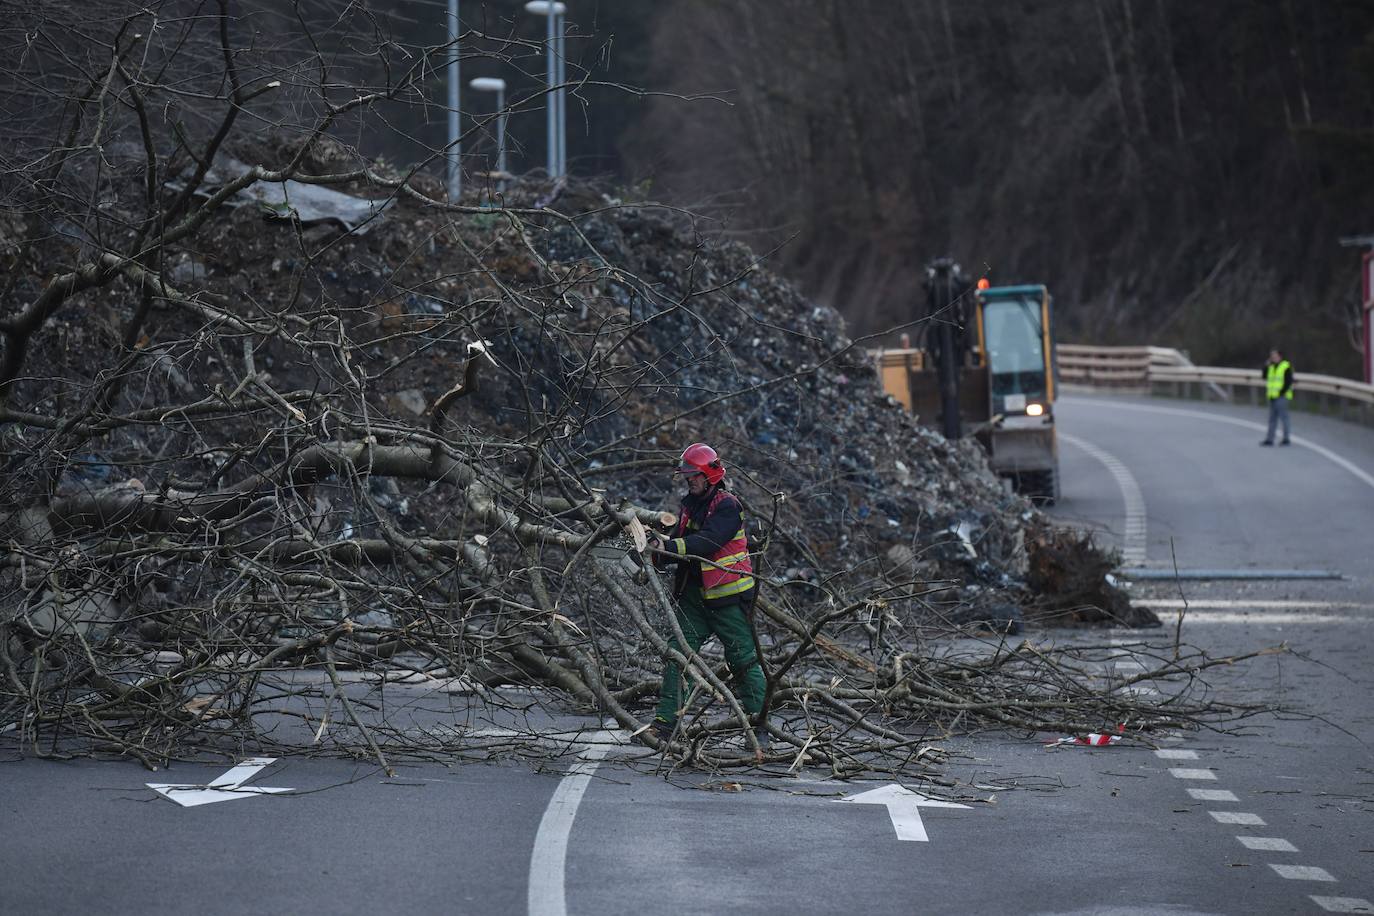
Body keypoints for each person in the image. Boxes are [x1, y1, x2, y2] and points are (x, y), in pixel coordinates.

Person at [645, 442, 768, 754]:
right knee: (677, 656)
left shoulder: (729, 507)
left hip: (728, 601)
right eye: (687, 477)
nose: (690, 481)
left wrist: (668, 548)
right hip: (694, 599)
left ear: (711, 475)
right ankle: (665, 724)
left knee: (743, 661)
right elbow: (679, 542)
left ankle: (759, 726)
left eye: (694, 476)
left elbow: (706, 542)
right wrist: (655, 552)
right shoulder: (690, 506)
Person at [1260, 348, 1293, 446]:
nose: (1272, 358)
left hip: (1282, 396)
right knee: (1272, 419)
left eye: (1274, 356)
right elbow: (1264, 377)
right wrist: (1265, 366)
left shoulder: (1285, 366)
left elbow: (1288, 381)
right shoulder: (1271, 366)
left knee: (1284, 418)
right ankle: (1270, 439)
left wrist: (1281, 392)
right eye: (1271, 356)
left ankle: (1286, 439)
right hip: (1272, 396)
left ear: (1279, 356)